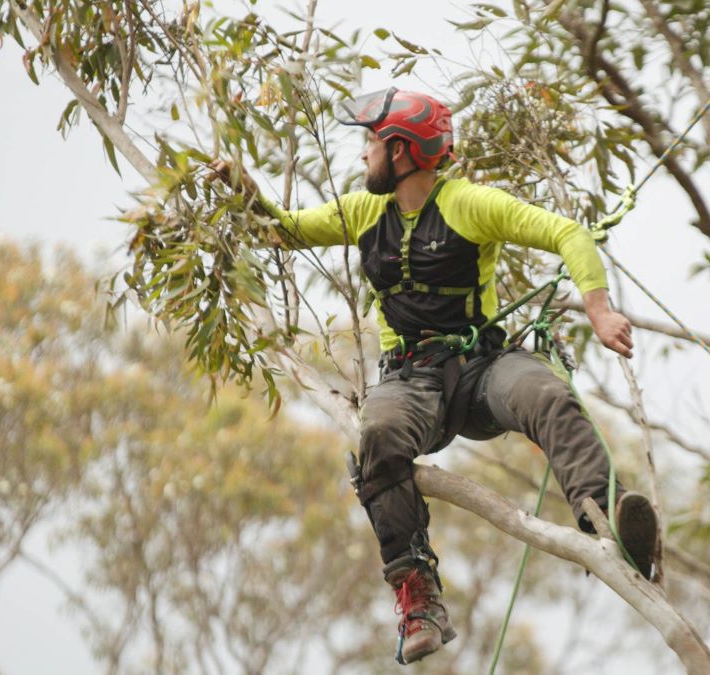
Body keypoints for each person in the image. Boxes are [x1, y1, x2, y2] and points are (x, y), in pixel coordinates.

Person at [227, 88, 657, 665]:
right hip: (409, 380)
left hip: (482, 369)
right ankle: (418, 595)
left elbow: (570, 235)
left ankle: (608, 519)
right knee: (377, 436)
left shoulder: (469, 203)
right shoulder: (362, 210)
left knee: (545, 393)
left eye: (371, 144)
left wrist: (600, 310)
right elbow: (281, 232)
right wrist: (243, 191)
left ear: (401, 150)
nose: (363, 156)